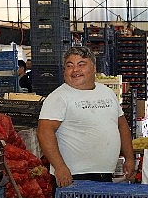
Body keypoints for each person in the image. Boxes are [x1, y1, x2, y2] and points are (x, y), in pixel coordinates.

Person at [37, 46, 135, 187]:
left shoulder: (106, 92)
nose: (75, 70)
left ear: (94, 68)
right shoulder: (58, 97)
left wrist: (129, 158)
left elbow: (122, 126)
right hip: (73, 177)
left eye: (81, 64)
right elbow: (44, 132)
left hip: (105, 174)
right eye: (69, 66)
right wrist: (60, 167)